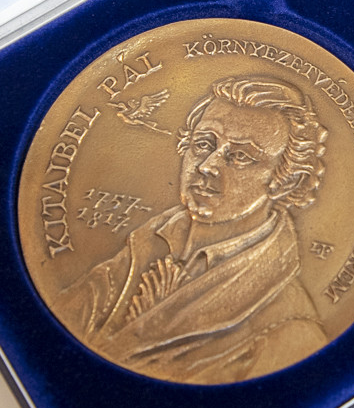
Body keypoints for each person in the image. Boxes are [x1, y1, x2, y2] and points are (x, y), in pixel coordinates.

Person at [54, 76, 330, 383]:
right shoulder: (143, 246)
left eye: (240, 156)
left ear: (287, 181)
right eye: (203, 144)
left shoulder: (290, 331)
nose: (206, 165)